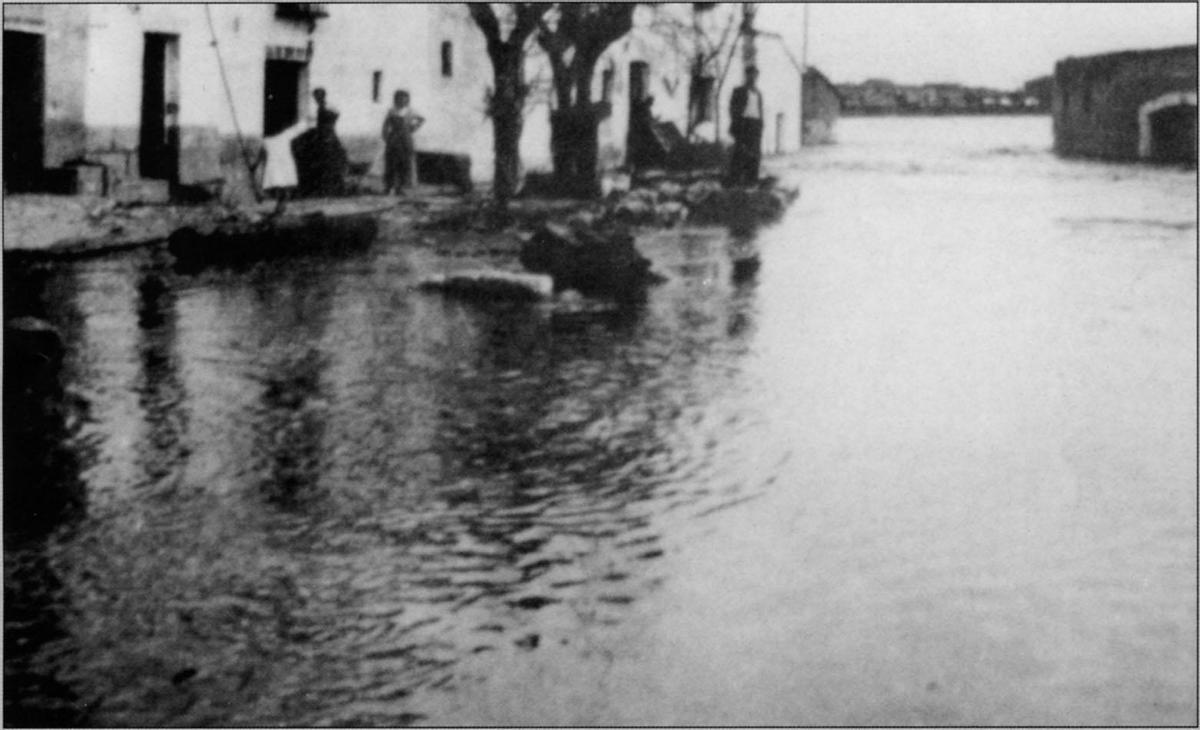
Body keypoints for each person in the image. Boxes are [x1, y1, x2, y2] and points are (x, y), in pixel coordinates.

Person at [293, 87, 349, 197]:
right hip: (325, 134)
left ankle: (325, 188)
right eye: (315, 97)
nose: (316, 99)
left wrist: (325, 126)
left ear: (322, 96)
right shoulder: (325, 107)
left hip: (326, 136)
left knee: (323, 160)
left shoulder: (325, 108)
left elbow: (329, 120)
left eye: (317, 97)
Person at [382, 90, 424, 195]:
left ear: (407, 100)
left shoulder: (410, 111)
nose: (402, 100)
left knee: (404, 163)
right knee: (390, 162)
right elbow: (386, 123)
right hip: (393, 138)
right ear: (395, 99)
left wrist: (413, 127)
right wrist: (384, 134)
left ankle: (399, 188)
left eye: (404, 98)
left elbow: (421, 119)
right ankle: (388, 187)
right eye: (399, 98)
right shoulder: (392, 110)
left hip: (405, 139)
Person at [728, 66, 764, 186]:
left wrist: (760, 125)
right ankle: (735, 180)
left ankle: (752, 180)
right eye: (750, 74)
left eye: (755, 75)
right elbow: (733, 109)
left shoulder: (758, 93)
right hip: (743, 124)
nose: (753, 77)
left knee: (754, 153)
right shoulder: (739, 91)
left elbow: (760, 110)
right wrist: (736, 124)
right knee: (740, 152)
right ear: (746, 75)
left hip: (755, 125)